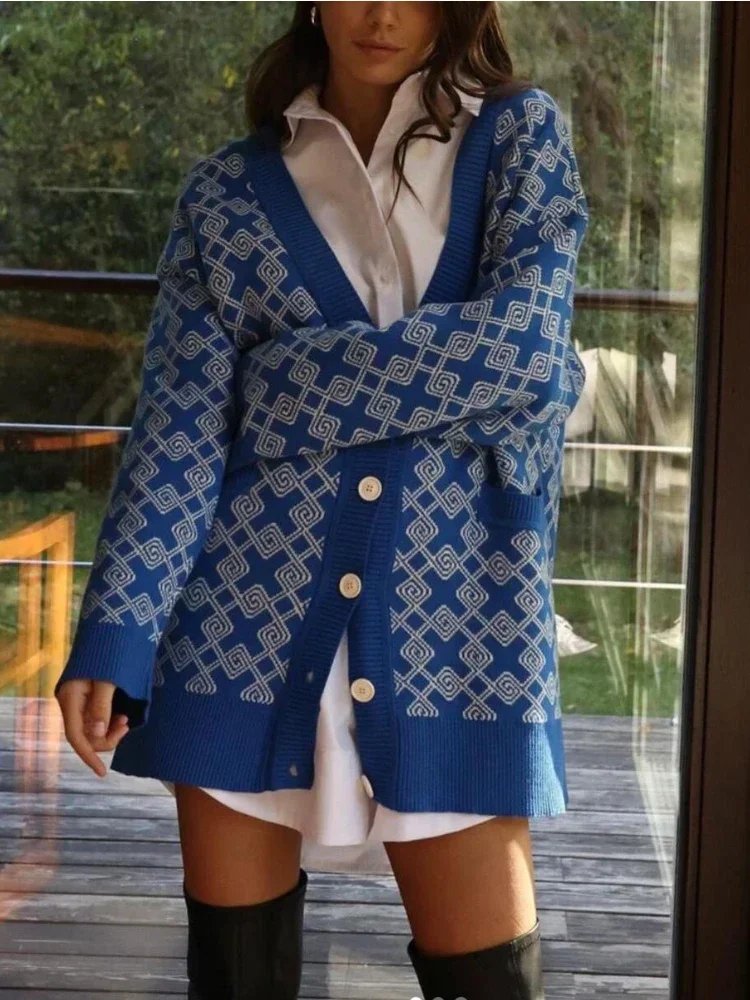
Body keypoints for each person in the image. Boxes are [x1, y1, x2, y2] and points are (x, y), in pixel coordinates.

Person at [54, 2, 589, 997]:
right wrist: (117, 631)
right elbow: (180, 432)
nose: (382, 12)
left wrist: (277, 387)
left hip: (460, 639)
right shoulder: (228, 193)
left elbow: (526, 351)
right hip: (241, 633)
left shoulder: (520, 139)